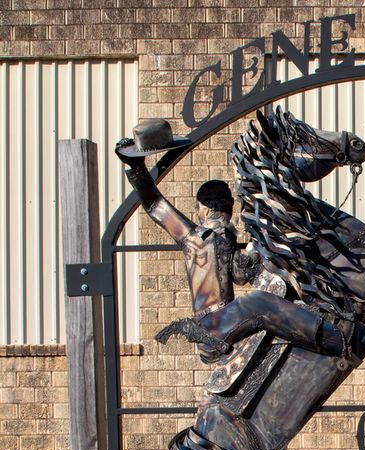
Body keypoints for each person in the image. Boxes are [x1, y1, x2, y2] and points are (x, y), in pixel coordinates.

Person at [115, 119, 347, 362]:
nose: (219, 211)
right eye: (214, 206)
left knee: (271, 298)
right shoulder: (192, 237)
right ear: (201, 210)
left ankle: (316, 322)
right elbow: (156, 206)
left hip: (231, 321)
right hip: (212, 326)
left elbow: (241, 274)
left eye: (223, 206)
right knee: (258, 303)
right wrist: (136, 168)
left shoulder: (227, 243)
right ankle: (332, 340)